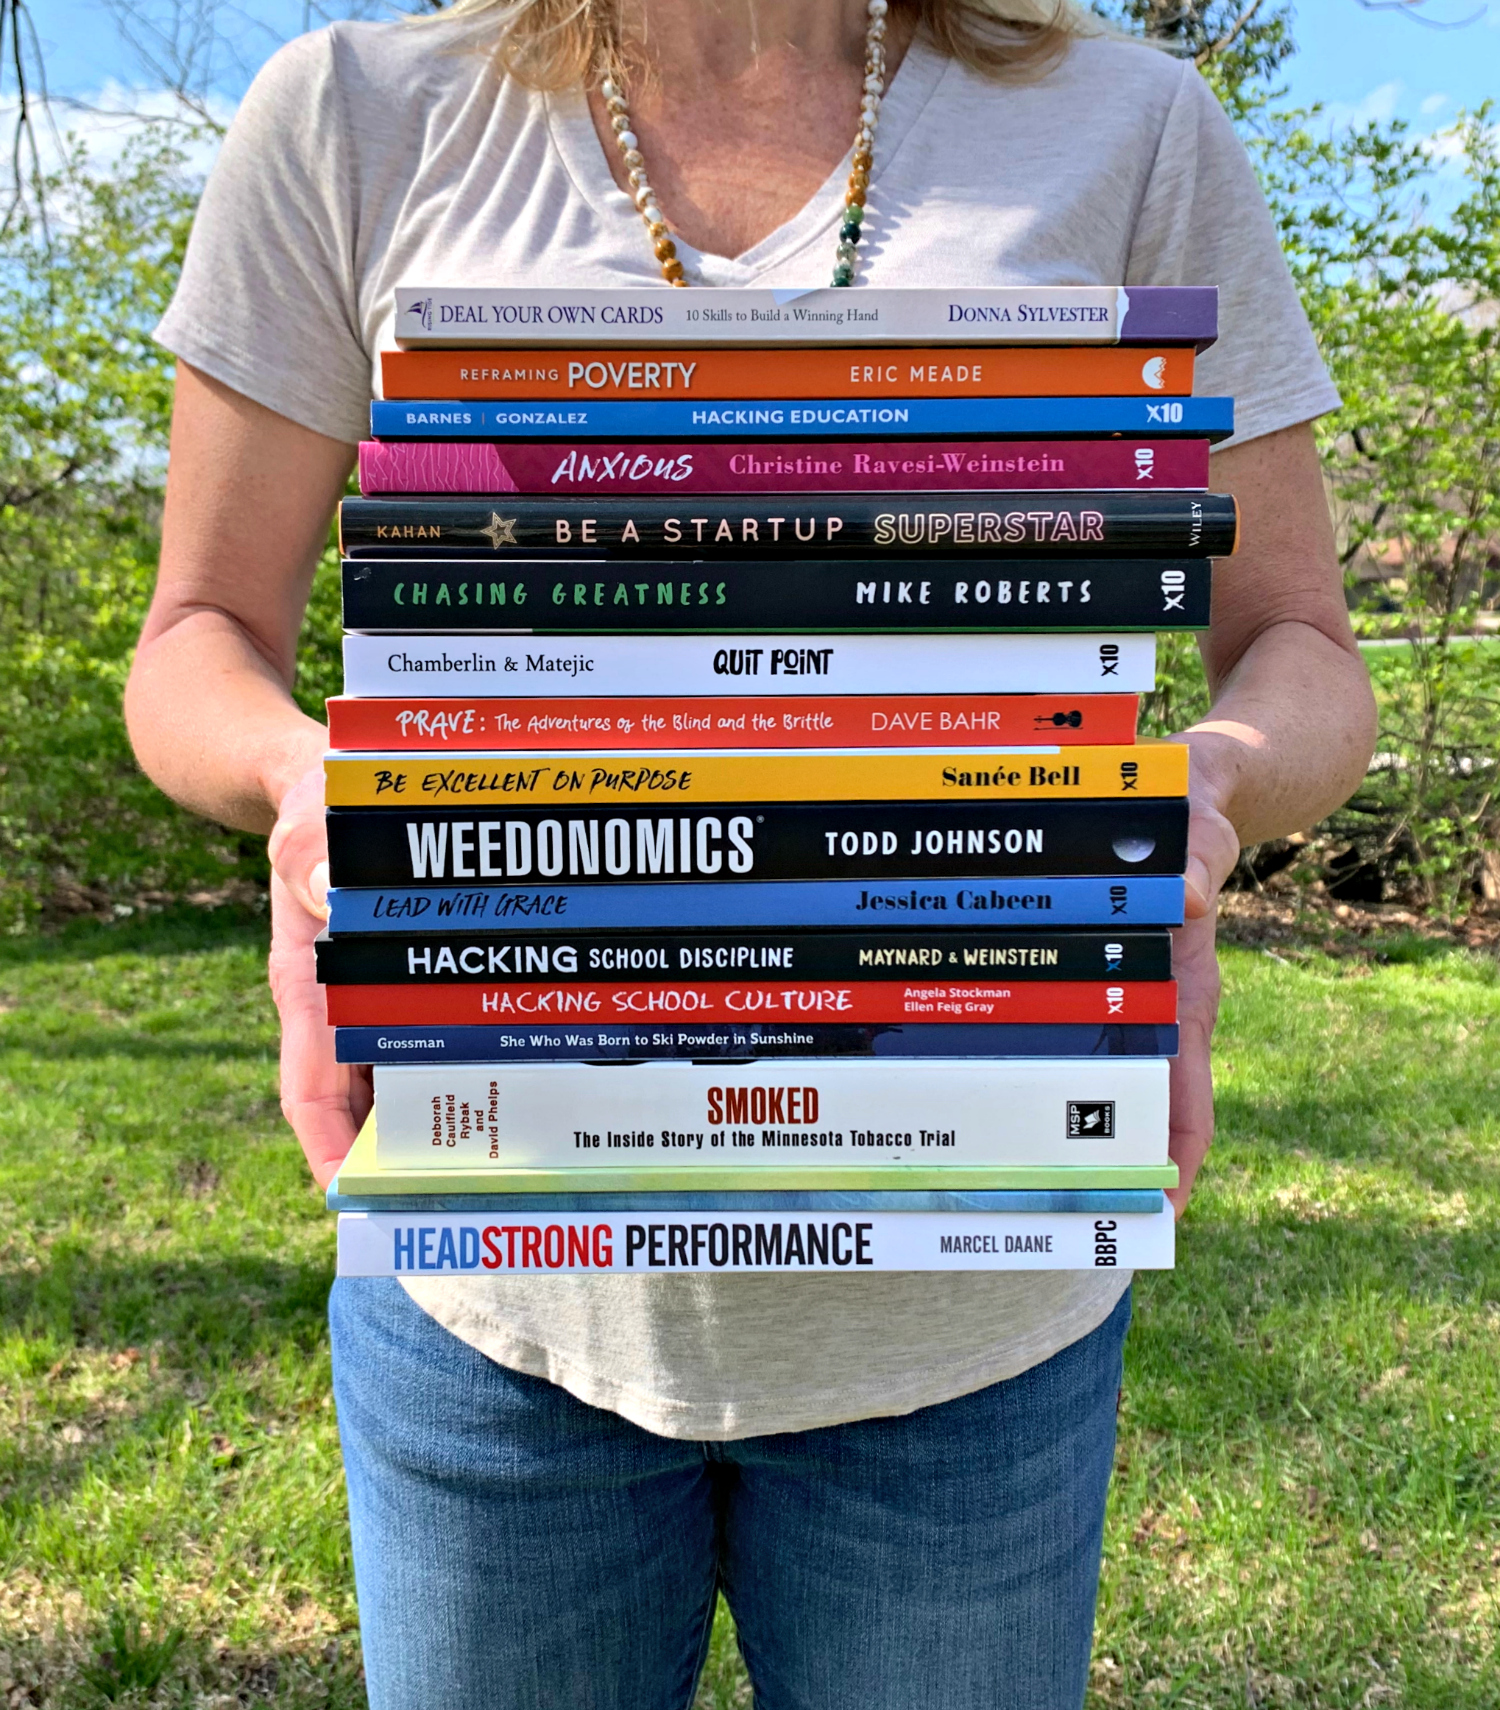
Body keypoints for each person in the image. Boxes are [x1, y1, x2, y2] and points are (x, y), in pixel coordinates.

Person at [125, 0, 1378, 1703]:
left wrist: (1197, 789)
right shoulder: (351, 113)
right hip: (494, 1285)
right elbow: (197, 631)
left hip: (974, 1319)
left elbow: (1304, 645)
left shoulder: (1132, 127)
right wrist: (301, 780)